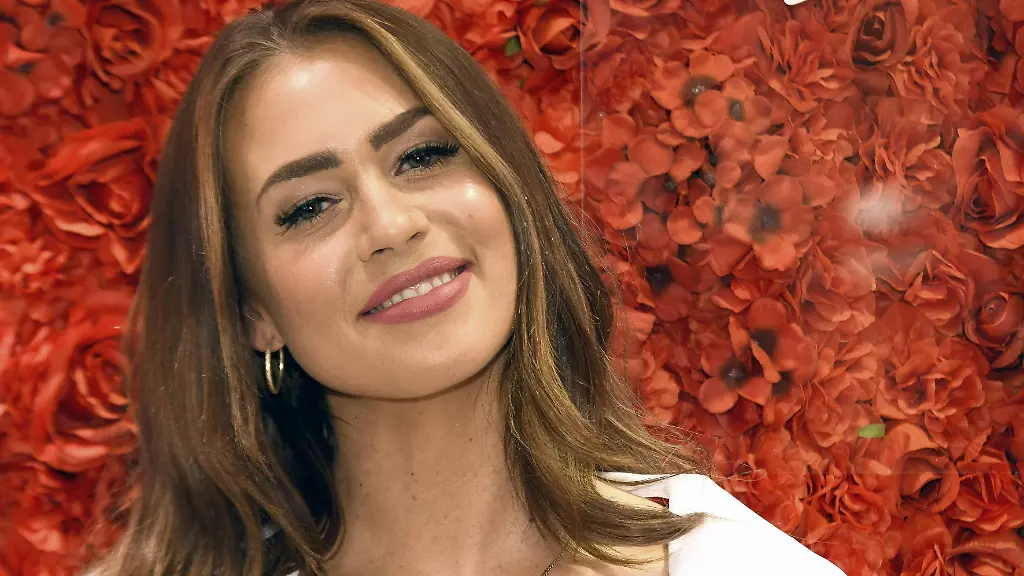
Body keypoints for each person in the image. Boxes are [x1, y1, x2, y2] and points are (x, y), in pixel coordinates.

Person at [85, 0, 848, 574]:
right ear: (254, 312)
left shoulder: (727, 560)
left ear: (508, 186)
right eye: (310, 206)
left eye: (422, 157)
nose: (391, 225)